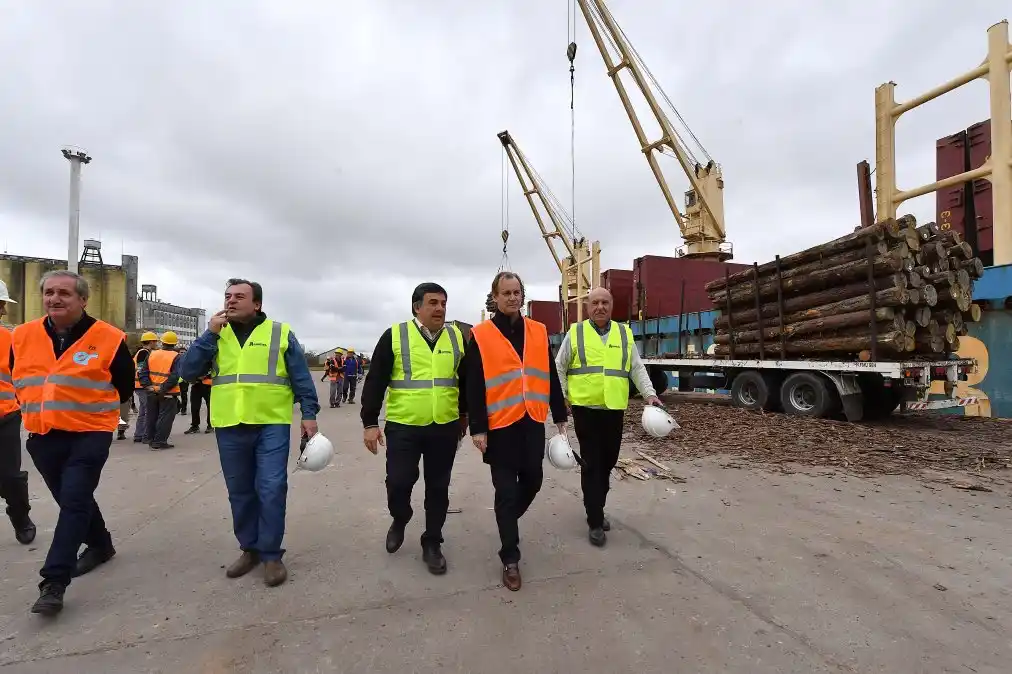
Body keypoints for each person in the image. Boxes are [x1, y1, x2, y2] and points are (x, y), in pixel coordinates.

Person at [180, 278, 320, 587]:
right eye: (227, 296)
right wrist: (209, 335)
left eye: (239, 296)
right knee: (240, 492)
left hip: (271, 423)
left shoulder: (280, 334)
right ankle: (250, 548)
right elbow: (187, 372)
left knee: (271, 488)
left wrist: (309, 414)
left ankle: (271, 554)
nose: (230, 301)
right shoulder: (215, 335)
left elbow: (301, 378)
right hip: (230, 424)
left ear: (256, 304)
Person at [11, 270, 134, 615]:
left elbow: (124, 385)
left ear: (82, 299)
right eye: (49, 292)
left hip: (90, 432)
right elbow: (16, 377)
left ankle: (54, 581)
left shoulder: (108, 337)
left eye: (64, 292)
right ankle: (100, 544)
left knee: (74, 500)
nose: (55, 298)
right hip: (43, 435)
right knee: (71, 499)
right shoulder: (22, 335)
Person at [466, 271, 567, 592]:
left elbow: (549, 373)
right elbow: (473, 385)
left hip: (532, 421)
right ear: (494, 297)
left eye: (517, 292)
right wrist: (478, 428)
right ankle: (510, 557)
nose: (512, 297)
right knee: (506, 492)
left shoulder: (538, 330)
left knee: (533, 482)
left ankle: (505, 518)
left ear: (522, 295)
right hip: (499, 426)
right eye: (506, 293)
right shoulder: (480, 335)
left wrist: (559, 413)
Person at [361, 282, 467, 575]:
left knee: (438, 488)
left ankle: (432, 542)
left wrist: (465, 415)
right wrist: (370, 422)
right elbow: (375, 381)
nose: (440, 308)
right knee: (398, 481)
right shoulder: (395, 335)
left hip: (444, 426)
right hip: (403, 426)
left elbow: (467, 379)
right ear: (416, 307)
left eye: (444, 303)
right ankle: (401, 516)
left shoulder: (457, 336)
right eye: (433, 303)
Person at [555, 287, 663, 547]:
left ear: (611, 305)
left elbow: (636, 367)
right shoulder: (576, 332)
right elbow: (559, 366)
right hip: (585, 409)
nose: (600, 307)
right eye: (595, 303)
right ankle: (594, 520)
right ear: (588, 306)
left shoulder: (624, 333)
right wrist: (562, 398)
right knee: (592, 464)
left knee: (609, 461)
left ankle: (597, 508)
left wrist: (650, 395)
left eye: (605, 302)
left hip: (614, 409)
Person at [0, 278, 36, 545]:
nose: (3, 311)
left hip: (6, 417)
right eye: (1, 305)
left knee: (10, 476)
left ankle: (20, 516)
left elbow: (24, 376)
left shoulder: (9, 340)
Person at [138, 331, 182, 450]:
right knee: (165, 417)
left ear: (162, 342)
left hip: (152, 391)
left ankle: (150, 439)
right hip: (168, 393)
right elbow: (175, 376)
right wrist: (163, 389)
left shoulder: (152, 354)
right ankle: (160, 441)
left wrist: (148, 386)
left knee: (152, 416)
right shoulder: (176, 357)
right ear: (174, 344)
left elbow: (143, 372)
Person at [130, 332, 159, 444]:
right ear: (151, 341)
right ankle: (146, 435)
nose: (156, 343)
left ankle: (139, 435)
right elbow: (142, 369)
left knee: (143, 411)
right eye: (155, 341)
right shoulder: (143, 353)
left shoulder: (143, 352)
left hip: (139, 385)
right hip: (142, 385)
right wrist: (148, 383)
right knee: (148, 411)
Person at [184, 365, 213, 434]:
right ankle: (195, 426)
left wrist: (205, 376)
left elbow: (215, 369)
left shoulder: (211, 357)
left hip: (208, 385)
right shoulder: (195, 358)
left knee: (210, 406)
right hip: (196, 385)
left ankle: (210, 425)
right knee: (194, 407)